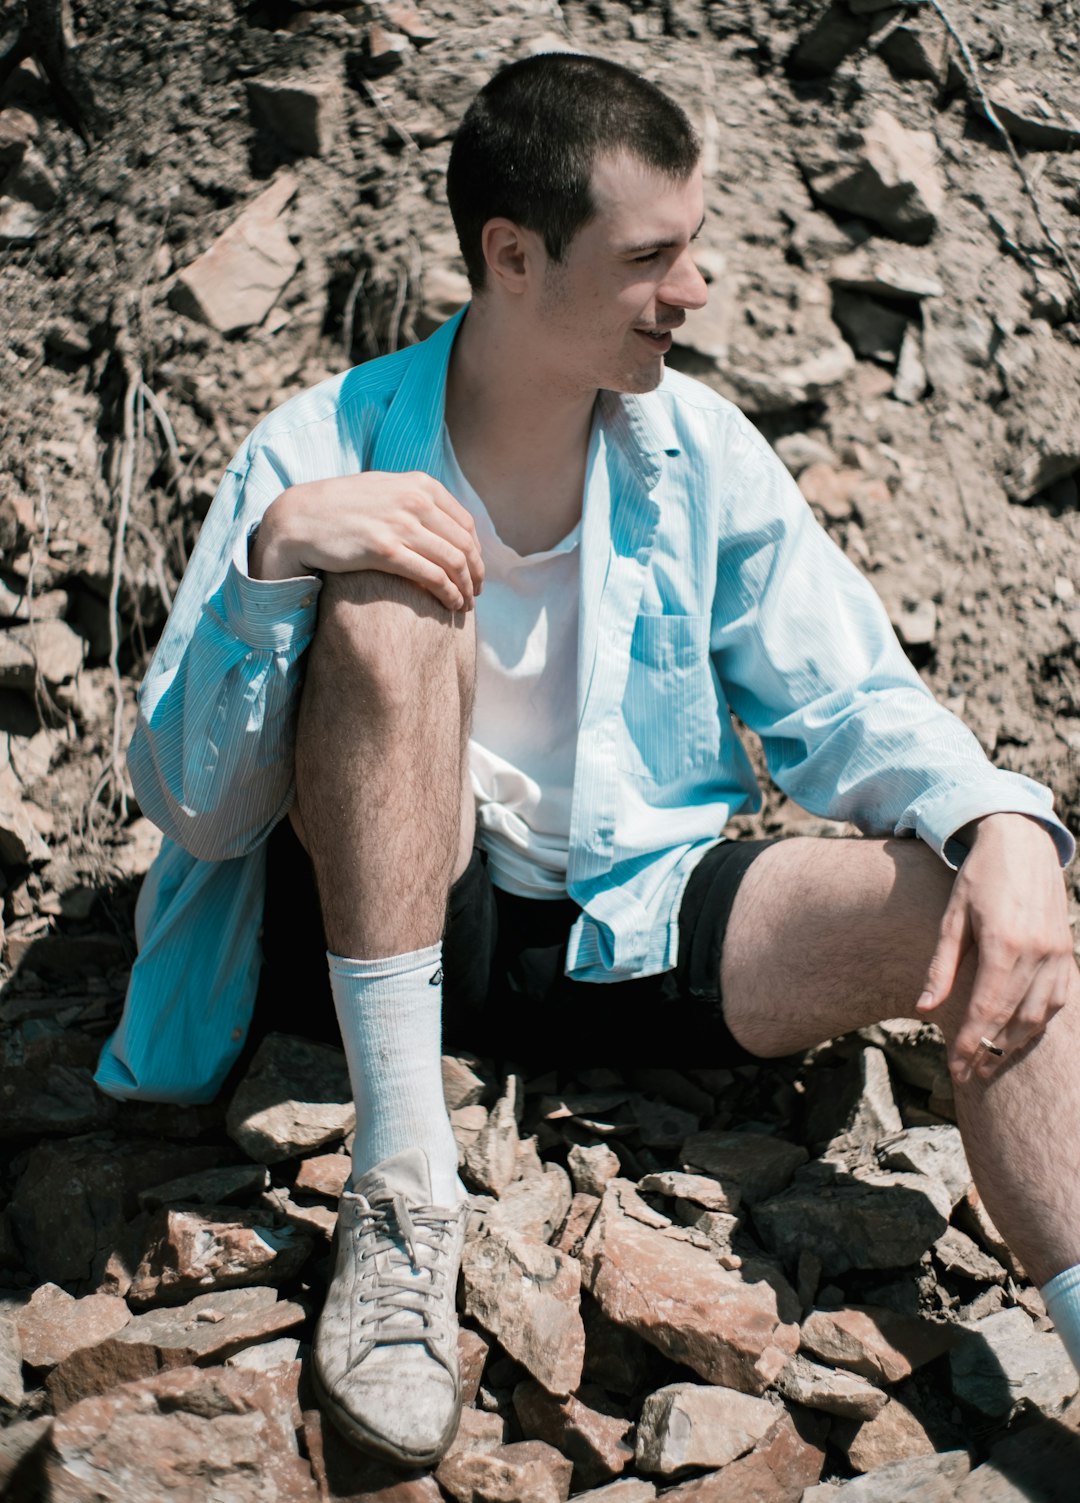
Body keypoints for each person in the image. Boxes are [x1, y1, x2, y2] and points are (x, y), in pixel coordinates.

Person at [96, 53, 1080, 1467]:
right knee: (382, 594)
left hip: (625, 919)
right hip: (376, 921)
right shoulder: (314, 447)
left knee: (980, 902)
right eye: (650, 257)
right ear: (510, 255)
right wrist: (275, 563)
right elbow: (196, 810)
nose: (695, 291)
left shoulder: (699, 453)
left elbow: (853, 703)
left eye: (693, 248)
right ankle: (403, 1177)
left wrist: (1005, 832)